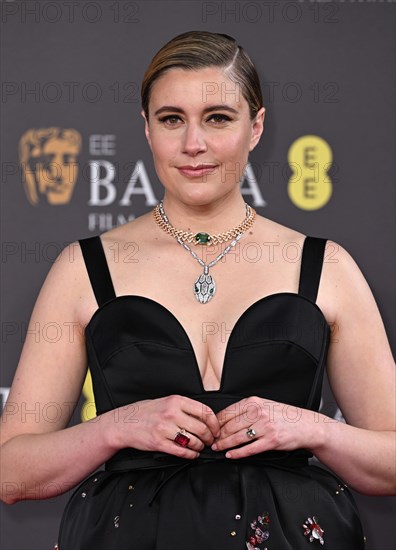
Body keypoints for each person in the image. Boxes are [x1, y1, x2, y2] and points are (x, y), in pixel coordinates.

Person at [1, 31, 395, 550]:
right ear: (146, 129)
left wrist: (312, 428)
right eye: (171, 119)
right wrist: (115, 427)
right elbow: (11, 472)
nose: (194, 144)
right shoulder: (84, 267)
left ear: (255, 127)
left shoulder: (326, 266)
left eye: (218, 118)